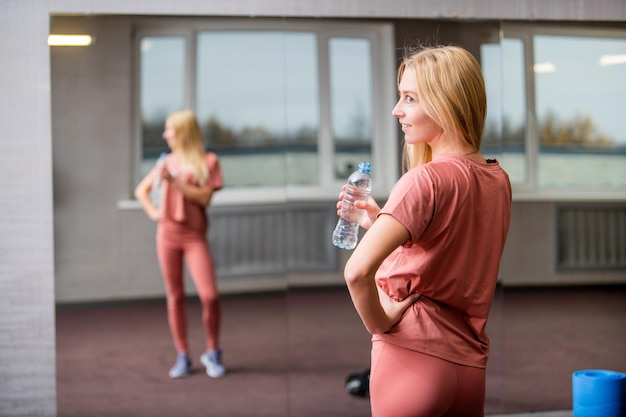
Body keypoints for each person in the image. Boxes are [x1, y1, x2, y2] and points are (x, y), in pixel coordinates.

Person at [338, 45, 512, 416]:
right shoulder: (498, 178)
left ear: (445, 102)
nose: (396, 110)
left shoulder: (425, 179)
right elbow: (451, 250)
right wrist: (379, 222)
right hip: (468, 368)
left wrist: (381, 323)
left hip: (412, 362)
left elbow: (356, 272)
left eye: (410, 98)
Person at [135, 109, 226, 379]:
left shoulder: (208, 161)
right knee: (174, 297)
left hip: (194, 236)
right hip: (168, 236)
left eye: (169, 129)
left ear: (182, 132)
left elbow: (204, 199)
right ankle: (183, 355)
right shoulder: (165, 161)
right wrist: (153, 212)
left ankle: (213, 351)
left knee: (209, 296)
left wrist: (174, 181)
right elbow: (141, 190)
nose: (165, 134)